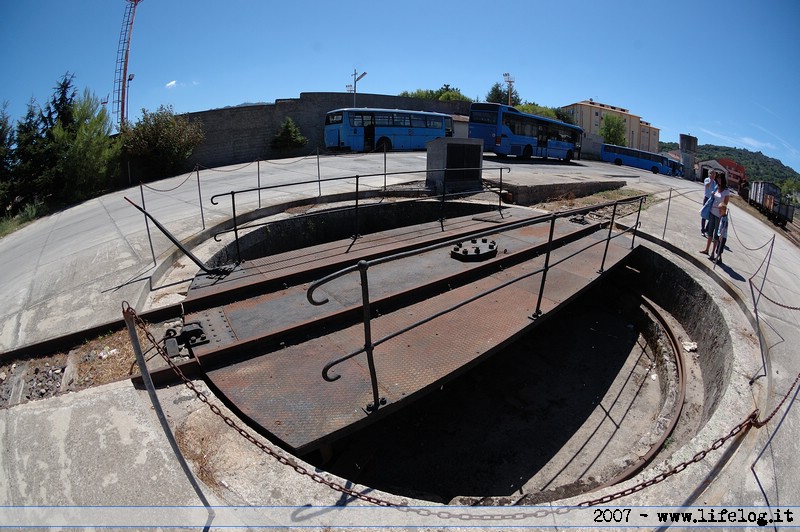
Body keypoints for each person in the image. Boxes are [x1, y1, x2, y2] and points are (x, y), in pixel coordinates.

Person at [700, 172, 731, 255]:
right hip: (712, 212)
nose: (718, 180)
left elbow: (725, 204)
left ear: (723, 179)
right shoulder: (717, 187)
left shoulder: (726, 191)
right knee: (710, 232)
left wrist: (721, 213)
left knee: (716, 235)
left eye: (720, 178)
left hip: (719, 215)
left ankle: (713, 252)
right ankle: (707, 249)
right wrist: (713, 195)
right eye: (718, 178)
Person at [701, 171, 716, 236]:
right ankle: (702, 230)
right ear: (709, 174)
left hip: (712, 200)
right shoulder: (707, 179)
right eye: (712, 173)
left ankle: (707, 229)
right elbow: (707, 186)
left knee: (711, 216)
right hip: (706, 198)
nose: (713, 175)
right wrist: (711, 180)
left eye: (714, 174)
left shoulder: (715, 182)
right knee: (704, 214)